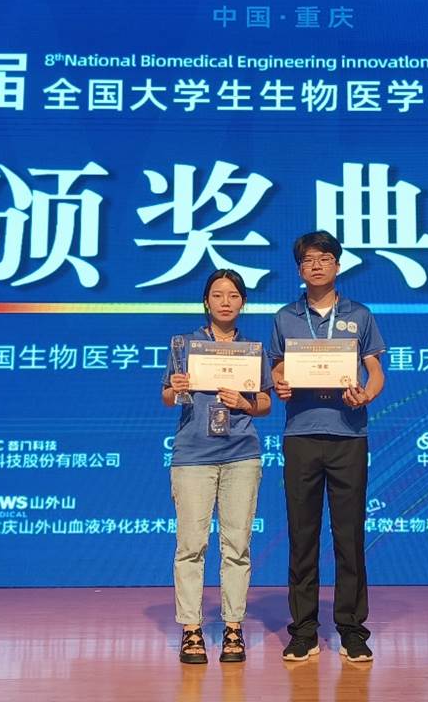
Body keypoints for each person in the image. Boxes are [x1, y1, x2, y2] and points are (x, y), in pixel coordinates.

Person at [268, 231, 385, 663]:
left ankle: (352, 630)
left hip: (348, 435)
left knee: (349, 536)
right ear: (299, 269)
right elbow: (278, 368)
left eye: (324, 258)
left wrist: (367, 394)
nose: (316, 265)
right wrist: (279, 383)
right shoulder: (286, 317)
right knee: (302, 535)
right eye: (308, 260)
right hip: (301, 434)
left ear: (337, 265)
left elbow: (375, 371)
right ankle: (303, 631)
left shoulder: (360, 315)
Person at [161, 269, 272, 664]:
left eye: (233, 295)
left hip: (241, 454)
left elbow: (265, 403)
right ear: (206, 301)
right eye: (218, 294)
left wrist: (244, 403)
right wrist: (176, 388)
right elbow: (167, 397)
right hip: (193, 456)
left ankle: (233, 627)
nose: (226, 302)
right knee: (191, 546)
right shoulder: (185, 345)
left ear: (243, 302)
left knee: (237, 546)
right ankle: (191, 629)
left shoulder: (251, 351)